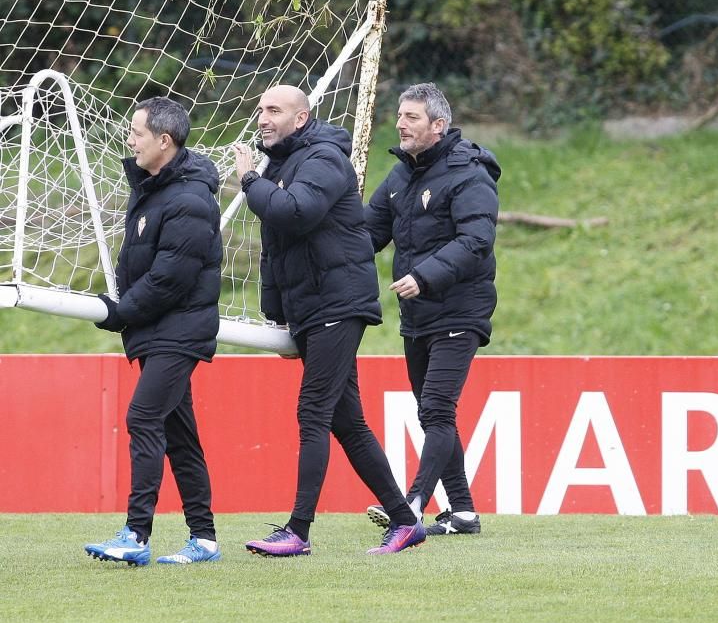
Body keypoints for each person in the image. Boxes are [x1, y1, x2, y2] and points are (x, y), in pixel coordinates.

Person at [233, 85, 425, 556]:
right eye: (260, 110)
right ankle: (405, 520)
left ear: (301, 119)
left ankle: (298, 531)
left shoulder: (324, 158)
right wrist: (279, 317)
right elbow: (277, 250)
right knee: (347, 422)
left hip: (338, 304)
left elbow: (295, 214)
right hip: (312, 309)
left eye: (273, 110)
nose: (262, 118)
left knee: (312, 411)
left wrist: (248, 181)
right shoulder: (279, 164)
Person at [85, 96, 223, 566]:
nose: (130, 140)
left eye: (137, 133)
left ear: (165, 141)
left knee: (142, 418)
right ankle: (204, 540)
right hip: (157, 330)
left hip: (178, 332)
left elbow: (170, 279)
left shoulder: (189, 199)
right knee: (179, 434)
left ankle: (136, 536)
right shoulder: (152, 191)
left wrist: (120, 313)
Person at [363, 83, 500, 535]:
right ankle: (462, 512)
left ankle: (412, 504)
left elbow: (476, 241)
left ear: (438, 126)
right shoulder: (400, 177)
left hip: (460, 311)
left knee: (437, 410)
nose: (400, 124)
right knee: (430, 411)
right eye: (399, 116)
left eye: (412, 117)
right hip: (418, 316)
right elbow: (366, 235)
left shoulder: (469, 174)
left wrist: (424, 276)